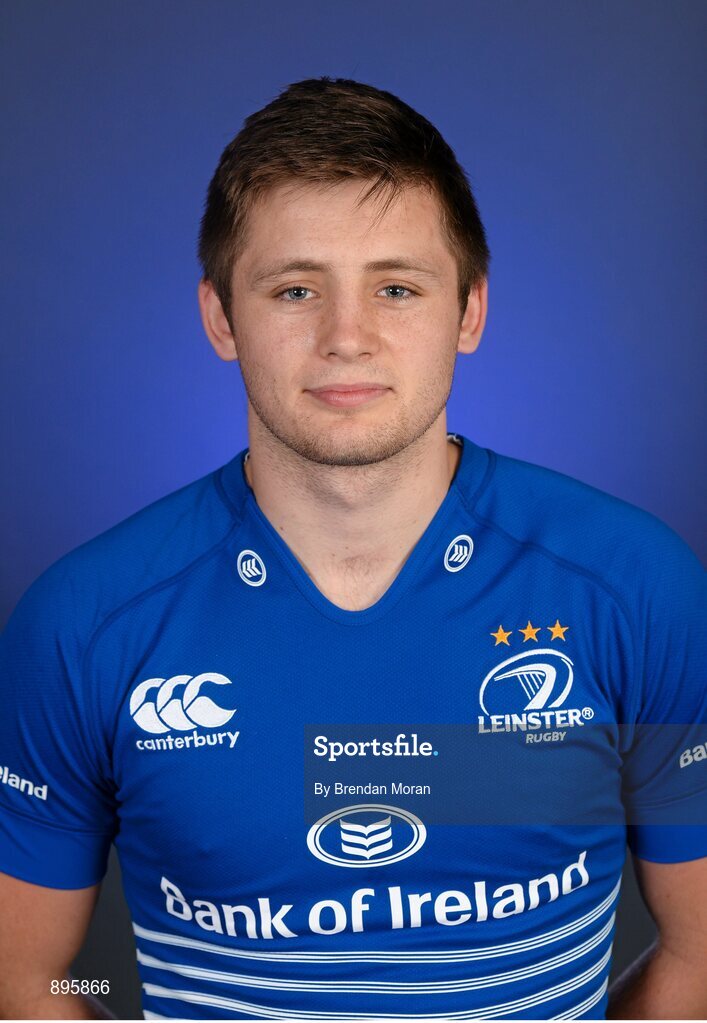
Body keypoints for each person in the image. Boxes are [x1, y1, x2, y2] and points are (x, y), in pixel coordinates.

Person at [0, 76, 705, 1022]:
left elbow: (699, 953)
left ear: (468, 312)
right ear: (220, 317)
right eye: (295, 288)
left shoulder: (637, 590)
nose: (346, 338)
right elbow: (28, 981)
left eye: (396, 288)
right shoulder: (81, 626)